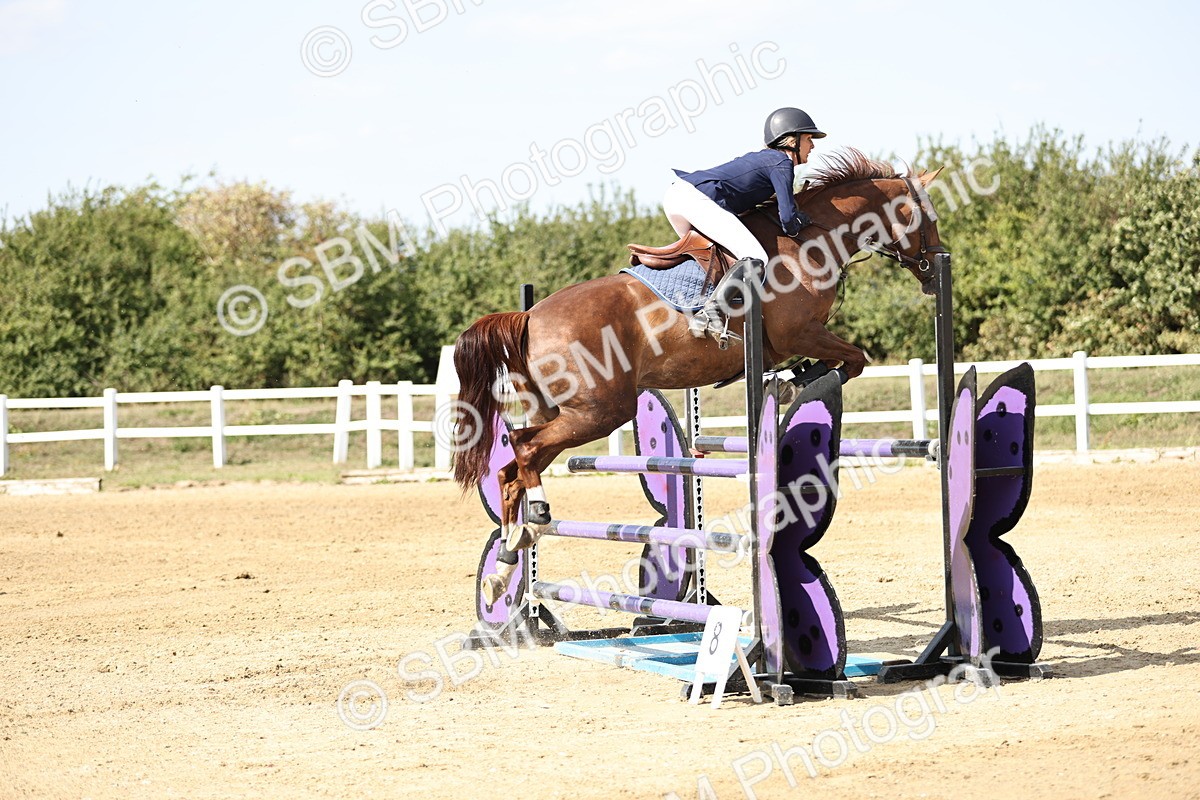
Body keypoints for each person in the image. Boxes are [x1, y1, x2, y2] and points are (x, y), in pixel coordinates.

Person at [664, 107, 826, 338]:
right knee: (756, 257)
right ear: (792, 140)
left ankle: (693, 310)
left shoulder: (766, 159)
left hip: (678, 197)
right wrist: (804, 220)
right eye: (809, 139)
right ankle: (710, 314)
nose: (812, 146)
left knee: (720, 259)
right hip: (695, 199)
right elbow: (788, 221)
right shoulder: (781, 162)